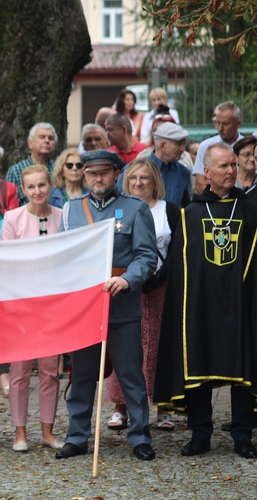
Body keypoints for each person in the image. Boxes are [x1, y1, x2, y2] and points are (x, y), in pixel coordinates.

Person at [155, 143, 257, 459]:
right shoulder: (189, 215)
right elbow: (176, 266)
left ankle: (242, 436)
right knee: (195, 363)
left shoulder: (251, 210)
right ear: (207, 172)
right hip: (200, 308)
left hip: (241, 306)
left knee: (245, 368)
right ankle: (201, 434)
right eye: (222, 166)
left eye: (232, 165)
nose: (229, 171)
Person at [56, 149, 157, 461]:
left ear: (116, 174)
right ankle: (76, 437)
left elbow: (147, 256)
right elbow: (62, 255)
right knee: (82, 375)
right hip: (83, 308)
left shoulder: (135, 209)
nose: (97, 178)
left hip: (121, 304)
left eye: (104, 172)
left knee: (130, 375)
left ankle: (139, 436)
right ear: (83, 175)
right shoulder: (71, 211)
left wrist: (128, 280)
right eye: (91, 173)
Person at [106, 158, 180, 432]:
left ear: (154, 182)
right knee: (127, 349)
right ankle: (120, 406)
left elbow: (175, 251)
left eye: (144, 178)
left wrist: (159, 276)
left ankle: (163, 408)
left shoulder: (168, 210)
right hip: (127, 287)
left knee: (160, 347)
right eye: (134, 178)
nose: (138, 183)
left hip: (160, 288)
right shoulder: (120, 209)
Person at [1, 165, 64, 451]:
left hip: (53, 304)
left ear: (50, 185)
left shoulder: (63, 217)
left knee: (50, 370)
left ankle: (48, 431)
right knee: (20, 371)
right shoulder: (12, 218)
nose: (37, 191)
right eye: (31, 187)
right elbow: (8, 260)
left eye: (42, 185)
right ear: (23, 190)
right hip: (22, 304)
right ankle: (20, 433)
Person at [118, 122, 192, 208]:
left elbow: (186, 207)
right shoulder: (132, 170)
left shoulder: (183, 172)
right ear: (162, 145)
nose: (183, 149)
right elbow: (119, 201)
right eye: (178, 144)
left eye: (183, 144)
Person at [193, 101, 243, 194]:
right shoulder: (205, 146)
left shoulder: (248, 147)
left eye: (225, 124)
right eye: (217, 123)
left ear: (238, 123)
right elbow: (199, 183)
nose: (220, 128)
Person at [5, 123, 57, 206]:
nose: (47, 141)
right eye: (42, 137)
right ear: (30, 143)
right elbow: (10, 204)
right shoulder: (15, 171)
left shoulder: (59, 169)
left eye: (50, 138)